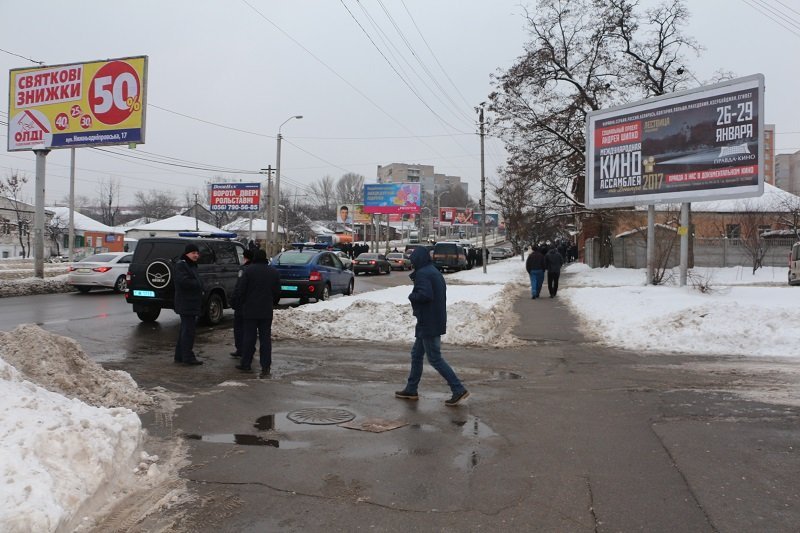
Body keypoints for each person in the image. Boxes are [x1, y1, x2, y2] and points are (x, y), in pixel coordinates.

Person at [395, 246, 469, 406]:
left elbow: (425, 295)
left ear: (418, 259)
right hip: (432, 319)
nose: (412, 263)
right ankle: (411, 389)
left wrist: (412, 296)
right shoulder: (432, 271)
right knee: (416, 355)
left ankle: (458, 389)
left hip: (429, 321)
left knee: (435, 358)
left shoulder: (423, 274)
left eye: (413, 260)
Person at [234, 249, 281, 377]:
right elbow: (277, 291)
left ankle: (246, 364)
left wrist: (244, 302)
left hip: (250, 310)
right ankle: (265, 366)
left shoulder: (248, 271)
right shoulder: (273, 271)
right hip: (266, 310)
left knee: (249, 338)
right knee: (265, 339)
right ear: (265, 258)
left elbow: (241, 290)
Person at [173, 243, 204, 365]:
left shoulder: (191, 265)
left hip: (191, 303)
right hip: (186, 303)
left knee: (185, 330)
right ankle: (188, 357)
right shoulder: (182, 265)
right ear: (187, 254)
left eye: (197, 253)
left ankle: (180, 356)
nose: (196, 255)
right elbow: (183, 282)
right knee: (188, 332)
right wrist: (198, 284)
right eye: (193, 253)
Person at [229, 249, 254, 359]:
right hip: (251, 304)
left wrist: (233, 300)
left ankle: (241, 349)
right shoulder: (254, 268)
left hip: (241, 303)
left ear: (245, 257)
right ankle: (248, 349)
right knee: (248, 329)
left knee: (239, 327)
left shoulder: (244, 269)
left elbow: (239, 287)